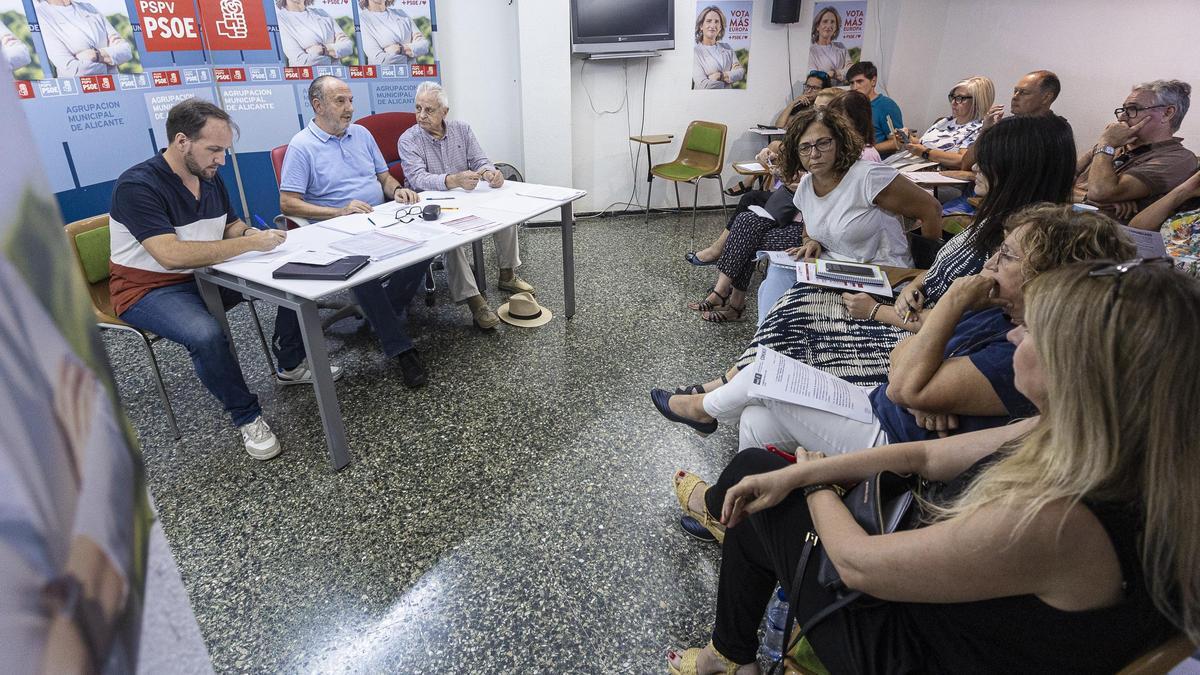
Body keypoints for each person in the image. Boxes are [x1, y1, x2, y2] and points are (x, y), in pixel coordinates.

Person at [666, 259, 1197, 674]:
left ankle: (730, 653)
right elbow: (929, 455)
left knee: (756, 485)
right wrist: (802, 472)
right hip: (960, 618)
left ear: (1079, 371)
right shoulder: (1111, 446)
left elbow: (858, 564)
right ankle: (731, 649)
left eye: (1031, 331)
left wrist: (816, 483)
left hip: (915, 651)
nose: (1013, 336)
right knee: (765, 475)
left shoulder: (1063, 520)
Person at [655, 205, 1134, 460]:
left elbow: (906, 377)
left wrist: (954, 301)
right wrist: (924, 385)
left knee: (766, 376)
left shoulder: (1024, 352)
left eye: (1007, 256)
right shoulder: (1001, 316)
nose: (989, 263)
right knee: (759, 419)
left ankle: (703, 408)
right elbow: (902, 359)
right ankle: (738, 507)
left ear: (1048, 276)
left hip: (891, 436)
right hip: (887, 406)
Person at [679, 114, 1075, 399]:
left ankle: (719, 393)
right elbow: (942, 272)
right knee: (782, 290)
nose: (973, 169)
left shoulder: (1019, 248)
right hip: (891, 290)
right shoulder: (989, 225)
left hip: (887, 287)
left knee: (790, 298)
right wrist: (919, 280)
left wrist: (888, 299)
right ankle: (731, 381)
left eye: (823, 144)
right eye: (805, 147)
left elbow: (960, 305)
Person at [109, 99, 336, 460]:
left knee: (294, 280)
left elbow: (229, 225)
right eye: (214, 150)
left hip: (205, 275)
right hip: (148, 289)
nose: (221, 160)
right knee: (206, 335)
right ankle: (247, 416)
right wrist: (247, 243)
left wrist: (247, 233)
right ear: (181, 141)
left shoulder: (208, 176)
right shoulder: (137, 186)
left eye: (225, 151)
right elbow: (169, 255)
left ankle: (290, 365)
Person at [687, 105, 941, 322]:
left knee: (754, 237)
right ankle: (762, 351)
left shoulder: (868, 176)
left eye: (823, 143)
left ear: (840, 142)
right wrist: (810, 240)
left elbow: (931, 209)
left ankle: (737, 309)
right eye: (805, 148)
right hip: (834, 269)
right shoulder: (807, 186)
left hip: (881, 276)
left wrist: (926, 277)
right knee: (774, 279)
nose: (814, 154)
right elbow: (810, 222)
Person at [278, 75, 431, 388]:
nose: (349, 108)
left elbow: (383, 177)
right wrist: (339, 211)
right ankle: (401, 349)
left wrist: (397, 189)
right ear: (317, 105)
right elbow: (288, 204)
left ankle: (382, 315)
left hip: (378, 218)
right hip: (334, 229)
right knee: (363, 273)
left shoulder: (361, 134)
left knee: (426, 247)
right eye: (340, 101)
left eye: (350, 101)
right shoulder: (302, 146)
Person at [399, 81, 534, 330]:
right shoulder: (409, 140)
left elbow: (480, 159)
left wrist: (491, 173)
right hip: (432, 208)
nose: (421, 116)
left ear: (444, 112)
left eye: (429, 110)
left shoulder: (462, 129)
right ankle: (476, 302)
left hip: (467, 199)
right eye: (418, 108)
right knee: (452, 241)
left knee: (505, 213)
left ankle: (507, 275)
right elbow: (417, 178)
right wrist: (453, 180)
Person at [1074, 79, 1195, 222]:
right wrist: (1086, 198)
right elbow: (1056, 183)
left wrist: (1106, 143)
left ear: (1167, 113)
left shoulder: (1178, 159)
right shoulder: (1117, 144)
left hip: (1102, 238)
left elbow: (1100, 192)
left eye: (1132, 109)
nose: (1122, 117)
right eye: (1123, 109)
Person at [879, 76, 994, 169]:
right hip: (912, 164)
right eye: (952, 97)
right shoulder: (945, 121)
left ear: (977, 101)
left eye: (960, 98)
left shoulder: (979, 129)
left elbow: (962, 160)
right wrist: (908, 138)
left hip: (934, 174)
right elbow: (924, 143)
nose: (953, 102)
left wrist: (925, 153)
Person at [962, 70, 1061, 172]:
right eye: (1015, 91)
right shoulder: (1007, 125)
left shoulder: (1056, 131)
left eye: (1023, 92)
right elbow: (966, 165)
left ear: (1046, 97)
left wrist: (973, 177)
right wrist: (985, 131)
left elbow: (1023, 176)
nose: (1015, 97)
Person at [35, 0, 131, 77]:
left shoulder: (89, 8)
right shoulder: (39, 16)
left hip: (115, 90)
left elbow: (126, 51)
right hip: (79, 95)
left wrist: (96, 56)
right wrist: (111, 62)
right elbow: (72, 70)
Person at [276, 0, 352, 67]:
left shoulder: (322, 13)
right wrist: (335, 56)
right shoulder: (280, 20)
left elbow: (348, 47)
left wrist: (322, 50)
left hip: (337, 76)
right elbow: (301, 62)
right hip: (306, 79)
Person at [846, 61, 903, 147]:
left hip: (878, 159)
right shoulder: (849, 105)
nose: (855, 87)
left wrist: (866, 152)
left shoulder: (886, 105)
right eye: (852, 83)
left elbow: (898, 142)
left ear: (873, 81)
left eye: (859, 81)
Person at [359, 0, 428, 67]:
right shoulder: (362, 20)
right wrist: (411, 55)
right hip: (384, 77)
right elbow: (379, 61)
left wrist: (400, 49)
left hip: (412, 76)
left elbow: (424, 46)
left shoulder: (401, 14)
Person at [692, 5, 743, 90]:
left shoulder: (727, 48)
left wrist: (720, 76)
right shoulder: (695, 52)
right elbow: (702, 86)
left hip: (727, 98)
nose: (713, 25)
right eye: (708, 21)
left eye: (716, 22)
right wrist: (730, 76)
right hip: (704, 99)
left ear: (720, 27)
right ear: (701, 26)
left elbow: (740, 73)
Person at [808, 6, 850, 86]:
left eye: (832, 22)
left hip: (842, 92)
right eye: (825, 21)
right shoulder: (811, 51)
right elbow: (814, 77)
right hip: (822, 93)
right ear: (817, 26)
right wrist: (841, 73)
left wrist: (835, 73)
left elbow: (851, 69)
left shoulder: (841, 46)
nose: (829, 25)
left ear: (836, 27)